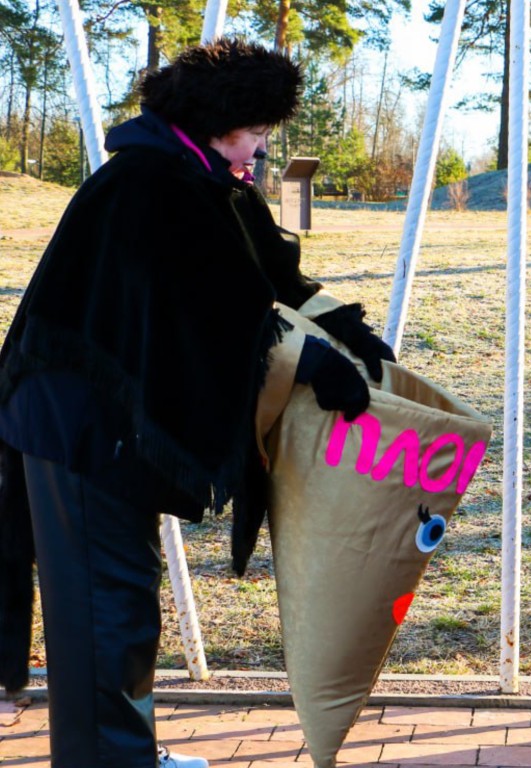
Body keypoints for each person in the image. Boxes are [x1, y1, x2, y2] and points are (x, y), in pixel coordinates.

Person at [0, 39, 393, 768]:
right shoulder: (147, 185)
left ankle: (126, 756)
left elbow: (268, 272)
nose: (262, 148)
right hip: (78, 417)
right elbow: (207, 311)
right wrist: (310, 361)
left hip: (116, 420)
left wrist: (345, 324)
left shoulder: (206, 179)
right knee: (102, 605)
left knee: (123, 593)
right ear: (221, 121)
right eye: (257, 132)